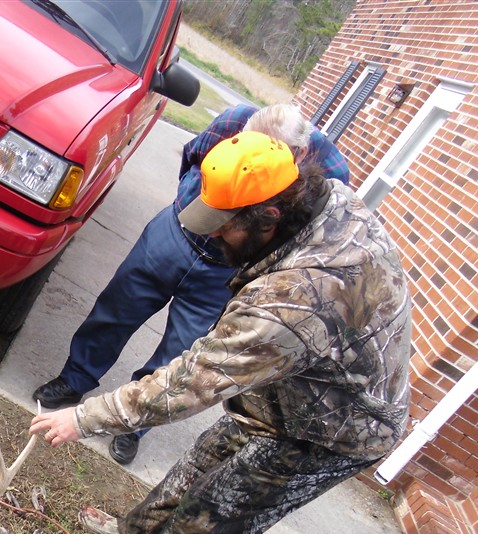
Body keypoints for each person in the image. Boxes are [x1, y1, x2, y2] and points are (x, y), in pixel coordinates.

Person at [27, 131, 412, 534]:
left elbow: (190, 382)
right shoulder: (325, 199)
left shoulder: (293, 303)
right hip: (300, 386)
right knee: (205, 456)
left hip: (334, 432)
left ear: (269, 218)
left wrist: (83, 418)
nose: (214, 237)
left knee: (207, 518)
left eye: (225, 226)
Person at [32, 103, 350, 465]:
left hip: (223, 272)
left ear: (299, 154)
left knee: (179, 351)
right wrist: (197, 207)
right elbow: (193, 157)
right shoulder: (233, 120)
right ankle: (75, 378)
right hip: (174, 235)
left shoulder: (329, 172)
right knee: (116, 310)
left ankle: (134, 424)